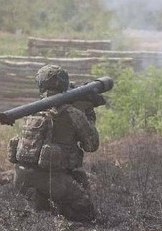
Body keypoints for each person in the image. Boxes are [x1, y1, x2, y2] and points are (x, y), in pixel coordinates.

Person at [8, 65, 100, 222]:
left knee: (77, 178)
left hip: (22, 179)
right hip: (54, 181)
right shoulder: (72, 113)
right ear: (63, 84)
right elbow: (91, 145)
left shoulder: (31, 111)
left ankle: (42, 204)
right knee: (88, 215)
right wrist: (89, 114)